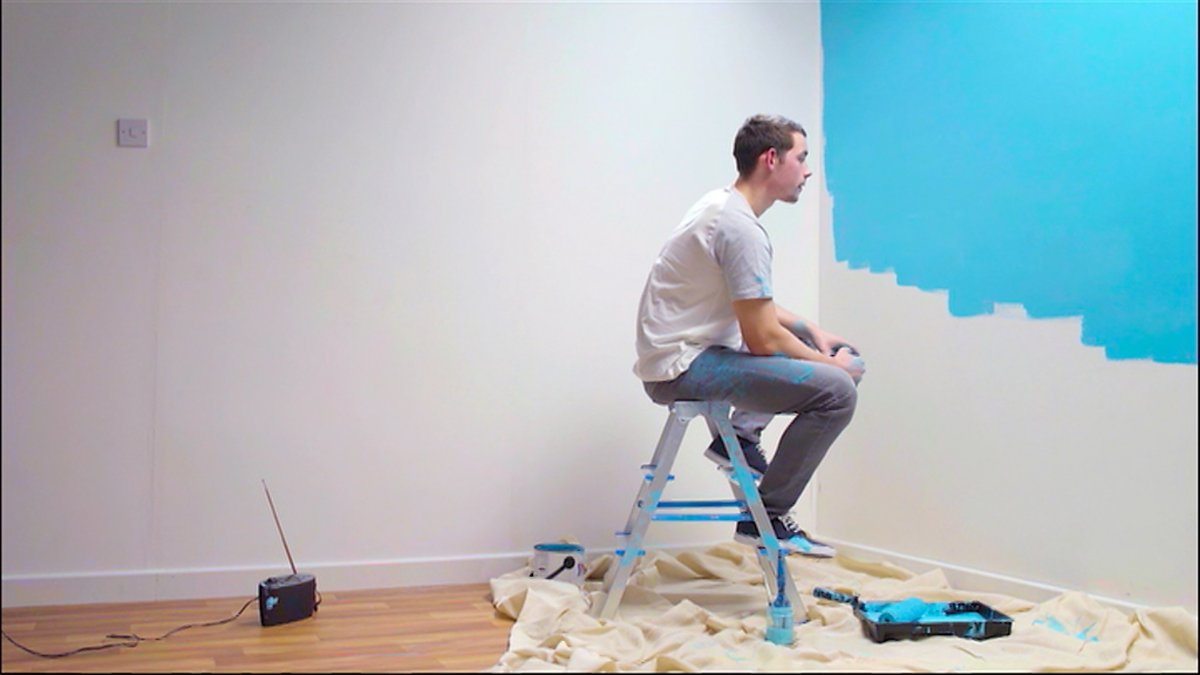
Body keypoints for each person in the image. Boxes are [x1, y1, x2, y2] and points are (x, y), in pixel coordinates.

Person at [633, 114, 864, 558]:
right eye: (802, 158)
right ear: (771, 159)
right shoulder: (740, 229)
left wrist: (812, 331)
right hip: (684, 368)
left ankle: (737, 436)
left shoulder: (722, 207)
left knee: (833, 357)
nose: (808, 171)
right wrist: (832, 366)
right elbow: (763, 342)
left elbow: (752, 304)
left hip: (691, 354)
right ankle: (767, 518)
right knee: (838, 391)